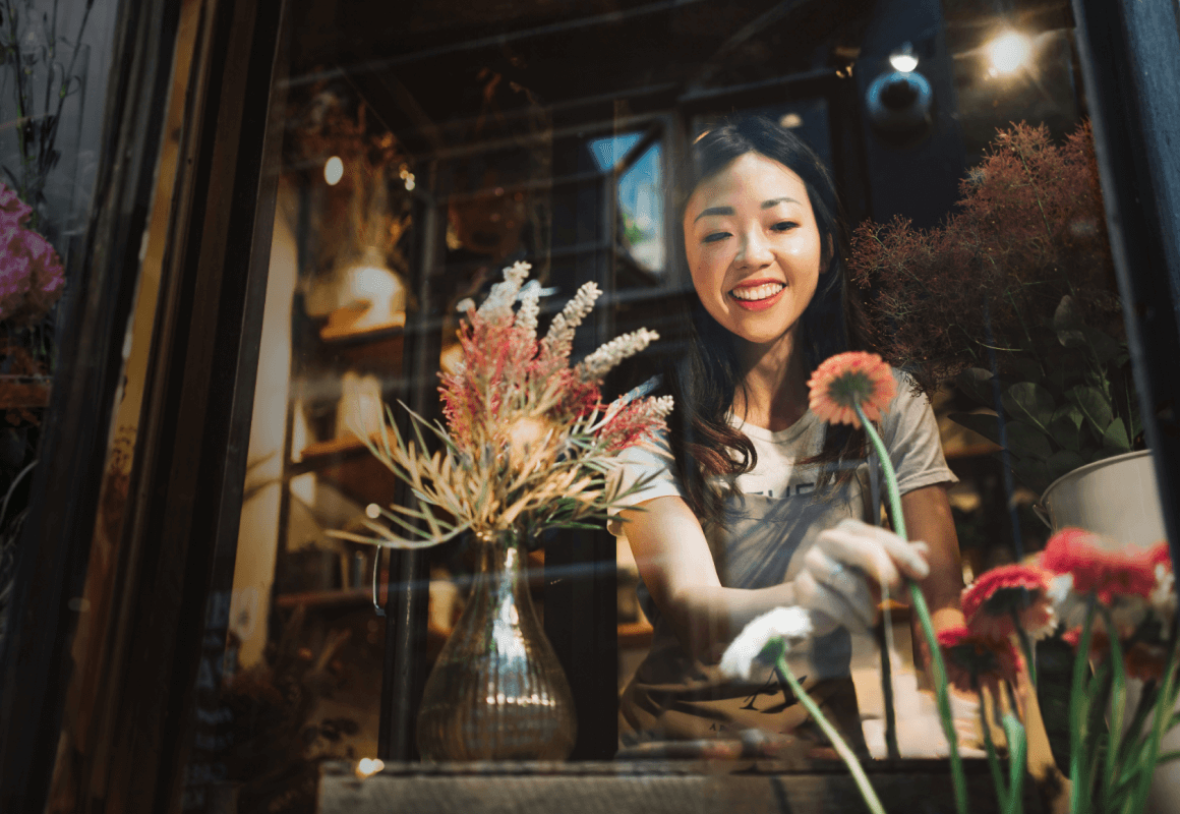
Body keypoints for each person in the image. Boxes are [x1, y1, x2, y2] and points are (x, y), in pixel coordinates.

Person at [610, 115, 965, 752]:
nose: (752, 254)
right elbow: (695, 615)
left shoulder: (889, 403)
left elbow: (940, 615)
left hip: (825, 755)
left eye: (781, 224)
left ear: (825, 243)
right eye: (717, 233)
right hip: (676, 756)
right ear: (680, 261)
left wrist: (968, 710)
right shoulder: (647, 420)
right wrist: (817, 592)